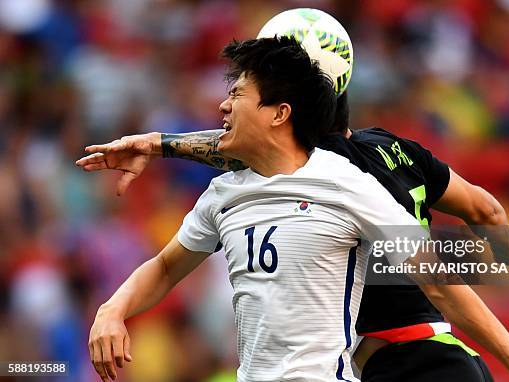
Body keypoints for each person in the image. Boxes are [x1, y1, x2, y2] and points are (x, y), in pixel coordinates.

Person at [86, 36, 437, 382]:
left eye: (237, 94)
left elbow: (440, 279)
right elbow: (164, 268)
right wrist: (112, 309)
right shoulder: (223, 194)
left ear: (280, 113)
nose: (224, 105)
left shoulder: (345, 182)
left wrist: (494, 347)